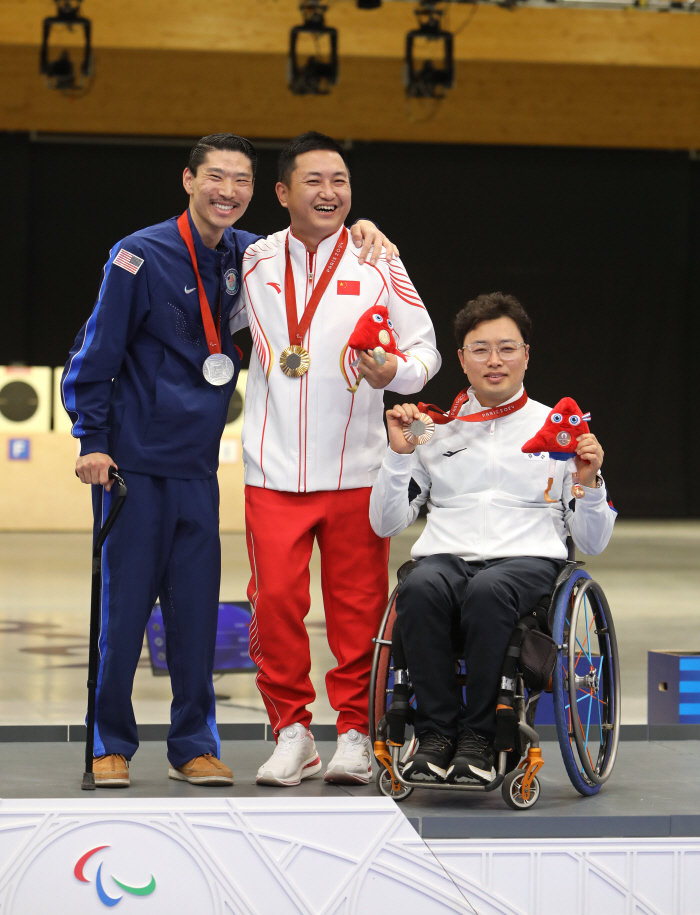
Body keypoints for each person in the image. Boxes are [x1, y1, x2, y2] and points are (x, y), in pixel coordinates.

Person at [62, 132, 393, 788]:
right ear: (188, 179)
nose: (229, 191)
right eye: (216, 177)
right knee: (125, 611)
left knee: (194, 614)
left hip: (197, 467)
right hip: (131, 464)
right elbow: (92, 355)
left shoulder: (250, 255)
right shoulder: (138, 254)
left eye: (241, 180)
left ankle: (192, 743)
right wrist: (91, 440)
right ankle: (110, 742)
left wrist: (364, 231)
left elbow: (311, 244)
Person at [230, 131, 441, 787]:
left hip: (357, 470)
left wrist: (393, 371)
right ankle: (292, 731)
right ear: (283, 192)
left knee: (358, 608)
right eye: (315, 180)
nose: (330, 192)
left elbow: (425, 354)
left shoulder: (381, 262)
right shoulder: (252, 261)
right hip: (274, 467)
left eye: (341, 181)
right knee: (274, 606)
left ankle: (354, 730)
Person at [369, 292, 616, 784]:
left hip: (525, 563)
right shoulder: (433, 431)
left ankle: (481, 736)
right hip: (446, 559)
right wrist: (397, 457)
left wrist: (588, 482)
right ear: (461, 359)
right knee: (418, 587)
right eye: (480, 349)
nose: (495, 360)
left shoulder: (559, 431)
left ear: (527, 354)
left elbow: (593, 541)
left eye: (507, 348)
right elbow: (386, 524)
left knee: (489, 591)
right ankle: (438, 735)